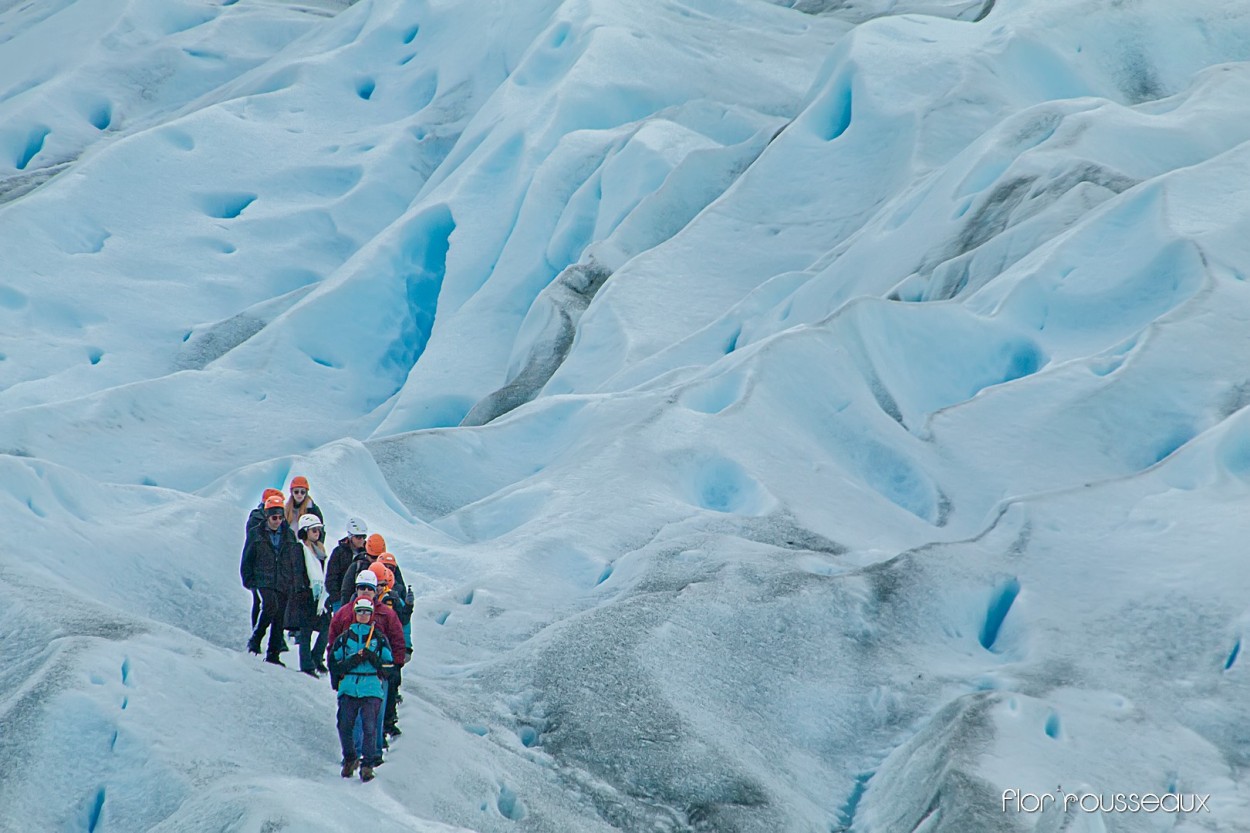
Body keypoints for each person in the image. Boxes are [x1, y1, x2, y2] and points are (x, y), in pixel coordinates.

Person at [327, 570, 406, 759]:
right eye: (361, 588)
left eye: (369, 588)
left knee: (374, 719)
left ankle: (373, 755)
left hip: (376, 674)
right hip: (350, 674)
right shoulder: (343, 614)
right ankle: (354, 755)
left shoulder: (387, 614)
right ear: (356, 589)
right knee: (349, 720)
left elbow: (397, 640)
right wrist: (335, 671)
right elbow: (333, 643)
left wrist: (394, 668)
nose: (365, 592)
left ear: (375, 590)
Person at [329, 597, 392, 782]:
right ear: (355, 614)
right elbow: (334, 663)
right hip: (349, 687)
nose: (363, 615)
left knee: (369, 727)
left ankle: (367, 765)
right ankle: (350, 757)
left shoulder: (379, 639)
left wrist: (373, 659)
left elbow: (389, 667)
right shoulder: (345, 638)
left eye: (366, 612)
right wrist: (352, 661)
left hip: (371, 687)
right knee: (344, 725)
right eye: (360, 611)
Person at [240, 493, 300, 664]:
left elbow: (293, 559)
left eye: (280, 517)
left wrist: (293, 579)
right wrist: (248, 579)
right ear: (267, 516)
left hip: (282, 579)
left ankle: (273, 653)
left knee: (280, 615)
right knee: (270, 606)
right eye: (274, 517)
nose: (277, 521)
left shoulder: (288, 535)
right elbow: (248, 556)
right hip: (263, 578)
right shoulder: (256, 533)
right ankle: (256, 638)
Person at [287, 513, 330, 677]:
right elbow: (297, 571)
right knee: (305, 633)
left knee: (326, 626)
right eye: (313, 530)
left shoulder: (319, 551)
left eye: (318, 530)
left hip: (317, 597)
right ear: (305, 531)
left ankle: (316, 658)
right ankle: (307, 665)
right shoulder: (299, 548)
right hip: (304, 596)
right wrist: (302, 590)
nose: (317, 533)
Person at [244, 488, 285, 631]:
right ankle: (257, 632)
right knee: (263, 602)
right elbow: (251, 549)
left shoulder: (277, 522)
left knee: (272, 603)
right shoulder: (257, 522)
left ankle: (267, 634)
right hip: (260, 571)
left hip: (274, 572)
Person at [325, 517, 368, 613]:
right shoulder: (339, 552)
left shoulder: (367, 553)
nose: (361, 540)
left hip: (361, 600)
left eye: (363, 537)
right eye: (358, 537)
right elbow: (331, 577)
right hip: (340, 600)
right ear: (350, 536)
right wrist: (336, 597)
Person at [340, 532, 386, 605]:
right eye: (373, 557)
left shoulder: (389, 566)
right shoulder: (356, 566)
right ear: (367, 553)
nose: (376, 560)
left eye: (379, 557)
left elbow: (399, 589)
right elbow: (346, 592)